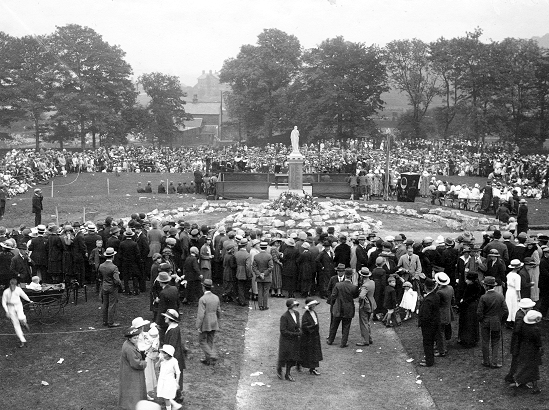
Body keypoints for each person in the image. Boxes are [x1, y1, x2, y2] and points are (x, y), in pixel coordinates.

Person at [477, 276, 508, 368]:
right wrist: (502, 321)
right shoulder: (500, 296)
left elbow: (479, 312)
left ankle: (486, 361)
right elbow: (506, 311)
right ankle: (494, 362)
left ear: (486, 286)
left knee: (485, 341)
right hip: (496, 322)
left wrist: (481, 320)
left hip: (485, 322)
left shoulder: (483, 297)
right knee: (495, 342)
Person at [504, 298, 536, 384]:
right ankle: (512, 377)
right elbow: (518, 331)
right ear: (527, 308)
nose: (532, 309)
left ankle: (512, 377)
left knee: (516, 361)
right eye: (531, 307)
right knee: (517, 361)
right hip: (519, 343)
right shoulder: (521, 316)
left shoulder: (520, 313)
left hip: (518, 343)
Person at [511, 310, 543, 394]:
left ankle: (520, 382)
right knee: (533, 369)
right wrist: (540, 348)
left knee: (524, 366)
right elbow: (538, 342)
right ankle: (519, 382)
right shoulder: (535, 329)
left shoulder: (524, 326)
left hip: (523, 348)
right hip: (532, 351)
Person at [327, 268, 359, 347]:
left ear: (345, 274)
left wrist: (333, 304)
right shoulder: (353, 287)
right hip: (348, 308)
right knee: (346, 326)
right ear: (351, 276)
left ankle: (330, 340)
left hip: (338, 307)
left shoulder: (338, 285)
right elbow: (355, 296)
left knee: (334, 325)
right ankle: (343, 343)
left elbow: (333, 296)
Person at [118, 327, 147, 410]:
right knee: (134, 390)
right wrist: (144, 363)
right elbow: (135, 364)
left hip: (128, 371)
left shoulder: (128, 344)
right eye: (134, 338)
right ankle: (134, 406)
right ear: (129, 338)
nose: (137, 339)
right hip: (132, 373)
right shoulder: (129, 348)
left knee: (130, 390)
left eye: (137, 337)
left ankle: (131, 405)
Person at [162, 309, 187, 397]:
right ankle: (176, 395)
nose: (165, 317)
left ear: (170, 319)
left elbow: (171, 346)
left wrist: (165, 356)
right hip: (176, 355)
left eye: (166, 317)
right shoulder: (173, 327)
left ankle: (176, 396)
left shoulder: (173, 330)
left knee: (173, 376)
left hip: (174, 356)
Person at [196, 279, 221, 365]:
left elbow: (201, 314)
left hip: (205, 322)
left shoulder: (202, 299)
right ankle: (208, 360)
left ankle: (211, 355)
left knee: (202, 340)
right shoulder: (216, 297)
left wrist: (198, 326)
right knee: (210, 340)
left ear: (203, 287)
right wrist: (217, 320)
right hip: (214, 321)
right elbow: (219, 311)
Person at [2, 278, 32, 348]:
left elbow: (23, 295)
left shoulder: (18, 289)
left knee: (21, 317)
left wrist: (29, 300)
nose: (12, 287)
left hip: (18, 305)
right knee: (16, 324)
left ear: (16, 285)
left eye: (14, 285)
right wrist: (7, 311)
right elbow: (3, 302)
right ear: (10, 284)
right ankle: (22, 340)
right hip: (10, 307)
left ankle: (24, 323)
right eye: (11, 285)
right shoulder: (6, 292)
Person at [277, 298, 301, 382]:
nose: (295, 306)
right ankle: (279, 369)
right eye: (293, 305)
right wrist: (295, 334)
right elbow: (283, 331)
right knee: (284, 356)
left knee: (292, 357)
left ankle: (288, 373)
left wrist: (299, 331)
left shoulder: (297, 314)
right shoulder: (284, 316)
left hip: (294, 339)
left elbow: (297, 325)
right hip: (286, 340)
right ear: (289, 306)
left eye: (295, 305)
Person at [457, 272, 484, 348]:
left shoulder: (470, 287)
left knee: (467, 323)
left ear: (471, 280)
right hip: (474, 305)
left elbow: (469, 297)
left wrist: (463, 301)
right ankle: (473, 339)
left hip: (468, 307)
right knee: (473, 323)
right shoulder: (478, 286)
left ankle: (467, 340)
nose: (466, 280)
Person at [418, 278, 440, 367]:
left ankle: (429, 361)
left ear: (425, 287)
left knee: (427, 343)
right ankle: (429, 358)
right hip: (435, 323)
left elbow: (425, 315)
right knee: (430, 343)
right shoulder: (436, 296)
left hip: (428, 325)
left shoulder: (428, 300)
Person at [98, 247, 122, 327]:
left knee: (105, 304)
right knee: (112, 305)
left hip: (104, 286)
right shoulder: (114, 267)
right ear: (113, 256)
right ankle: (111, 322)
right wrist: (119, 284)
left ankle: (105, 321)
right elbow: (117, 280)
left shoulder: (101, 266)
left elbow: (99, 277)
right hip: (112, 287)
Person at [299, 297, 323, 375]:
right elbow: (304, 326)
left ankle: (313, 368)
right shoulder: (305, 315)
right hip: (308, 337)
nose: (314, 306)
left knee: (314, 352)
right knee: (308, 352)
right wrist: (313, 327)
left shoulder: (314, 313)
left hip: (314, 336)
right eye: (313, 305)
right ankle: (301, 364)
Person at [155, 272, 180, 344]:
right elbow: (177, 302)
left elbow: (161, 308)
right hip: (174, 315)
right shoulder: (174, 288)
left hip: (166, 317)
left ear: (160, 282)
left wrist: (158, 322)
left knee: (163, 337)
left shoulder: (163, 293)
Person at [156, 344, 182, 410]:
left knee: (167, 397)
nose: (163, 355)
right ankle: (172, 406)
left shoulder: (174, 361)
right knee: (164, 396)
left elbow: (178, 372)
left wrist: (177, 382)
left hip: (169, 381)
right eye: (163, 353)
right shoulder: (162, 359)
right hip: (162, 380)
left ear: (169, 354)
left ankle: (171, 407)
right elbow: (156, 366)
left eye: (165, 354)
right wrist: (159, 361)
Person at [435, 272, 454, 357]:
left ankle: (442, 350)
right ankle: (441, 347)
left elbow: (436, 303)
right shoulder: (450, 288)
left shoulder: (439, 292)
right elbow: (453, 300)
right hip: (448, 311)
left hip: (441, 313)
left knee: (440, 332)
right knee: (444, 330)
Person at [357, 267, 376, 346]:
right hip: (372, 304)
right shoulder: (372, 282)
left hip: (365, 306)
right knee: (367, 322)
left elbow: (361, 296)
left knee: (363, 323)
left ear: (362, 276)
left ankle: (365, 340)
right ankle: (369, 338)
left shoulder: (365, 285)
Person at [252, 241, 273, 310]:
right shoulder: (269, 256)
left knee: (260, 291)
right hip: (267, 276)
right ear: (266, 248)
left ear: (260, 247)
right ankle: (265, 305)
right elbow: (271, 267)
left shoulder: (256, 256)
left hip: (259, 277)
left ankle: (260, 305)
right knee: (266, 291)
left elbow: (254, 267)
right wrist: (264, 273)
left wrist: (259, 274)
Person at [506, 259, 523, 328]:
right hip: (514, 293)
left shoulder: (509, 274)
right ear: (518, 268)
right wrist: (519, 297)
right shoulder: (517, 276)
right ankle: (513, 321)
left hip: (508, 292)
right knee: (515, 306)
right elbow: (517, 289)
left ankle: (508, 321)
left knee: (509, 306)